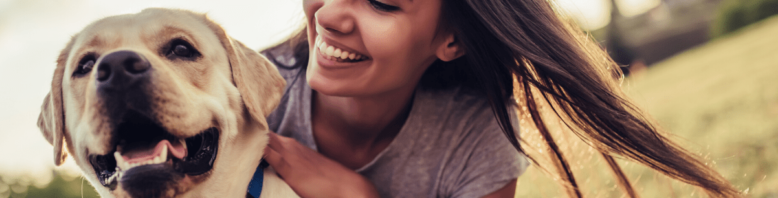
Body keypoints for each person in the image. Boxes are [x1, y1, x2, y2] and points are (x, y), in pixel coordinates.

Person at [259, 0, 740, 197]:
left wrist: (355, 194)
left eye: (383, 2)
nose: (332, 14)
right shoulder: (239, 90)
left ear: (452, 40)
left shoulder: (475, 138)